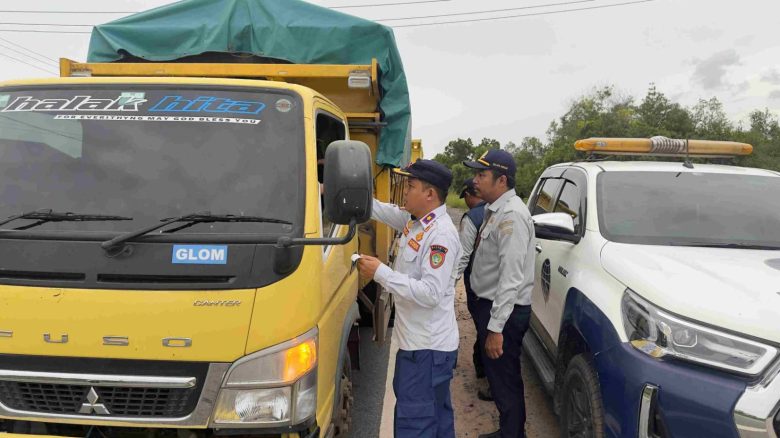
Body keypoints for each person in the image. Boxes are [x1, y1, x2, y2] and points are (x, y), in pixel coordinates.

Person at [357, 159, 461, 438]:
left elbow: (429, 293)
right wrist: (333, 192)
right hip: (424, 346)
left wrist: (380, 272)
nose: (404, 191)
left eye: (410, 185)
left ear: (429, 194)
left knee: (415, 425)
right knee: (436, 421)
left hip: (425, 350)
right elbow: (383, 210)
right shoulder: (417, 223)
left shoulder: (440, 235)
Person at [463, 150, 535, 438]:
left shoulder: (513, 216)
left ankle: (513, 434)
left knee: (505, 380)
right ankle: (508, 430)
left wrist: (495, 329)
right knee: (499, 377)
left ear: (501, 180)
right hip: (492, 308)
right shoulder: (496, 209)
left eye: (481, 175)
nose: (474, 180)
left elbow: (511, 278)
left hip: (503, 312)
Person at [454, 179, 491, 400]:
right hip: (495, 284)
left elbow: (463, 256)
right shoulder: (498, 209)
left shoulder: (472, 217)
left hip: (477, 285)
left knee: (484, 328)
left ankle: (486, 371)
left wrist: (449, 283)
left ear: (470, 195)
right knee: (488, 328)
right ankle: (480, 362)